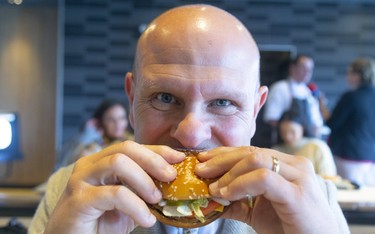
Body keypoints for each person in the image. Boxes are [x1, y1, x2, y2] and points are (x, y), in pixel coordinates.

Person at [29, 4, 349, 234]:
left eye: (223, 102)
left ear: (254, 111)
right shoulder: (72, 193)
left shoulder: (313, 200)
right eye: (165, 98)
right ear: (132, 98)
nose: (191, 135)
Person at [326, 57, 375, 186]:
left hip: (348, 156)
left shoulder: (351, 97)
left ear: (358, 75)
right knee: (367, 199)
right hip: (370, 156)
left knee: (349, 196)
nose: (347, 76)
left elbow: (332, 123)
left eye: (349, 72)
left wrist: (322, 108)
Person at [55, 99, 133, 169]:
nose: (117, 124)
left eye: (122, 118)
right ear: (101, 122)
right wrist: (86, 137)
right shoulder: (92, 147)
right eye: (110, 119)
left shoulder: (134, 140)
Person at [263, 54, 324, 140]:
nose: (307, 72)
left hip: (307, 141)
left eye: (310, 69)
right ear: (292, 68)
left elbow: (316, 122)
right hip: (285, 142)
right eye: (303, 68)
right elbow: (271, 119)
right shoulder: (280, 88)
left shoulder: (308, 92)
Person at [272, 111, 337, 178]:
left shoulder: (317, 147)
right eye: (283, 132)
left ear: (302, 128)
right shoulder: (276, 150)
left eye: (292, 132)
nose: (287, 136)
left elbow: (329, 178)